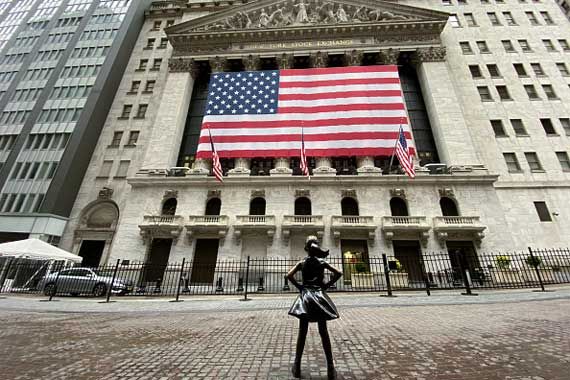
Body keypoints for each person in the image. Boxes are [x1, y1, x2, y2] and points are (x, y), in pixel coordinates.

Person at [287, 236, 342, 379]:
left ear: (306, 248)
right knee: (323, 331)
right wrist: (326, 286)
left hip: (306, 297)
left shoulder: (302, 262)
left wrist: (300, 287)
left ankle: (297, 366)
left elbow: (289, 275)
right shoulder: (322, 262)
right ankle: (330, 367)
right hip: (319, 296)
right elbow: (339, 273)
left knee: (302, 332)